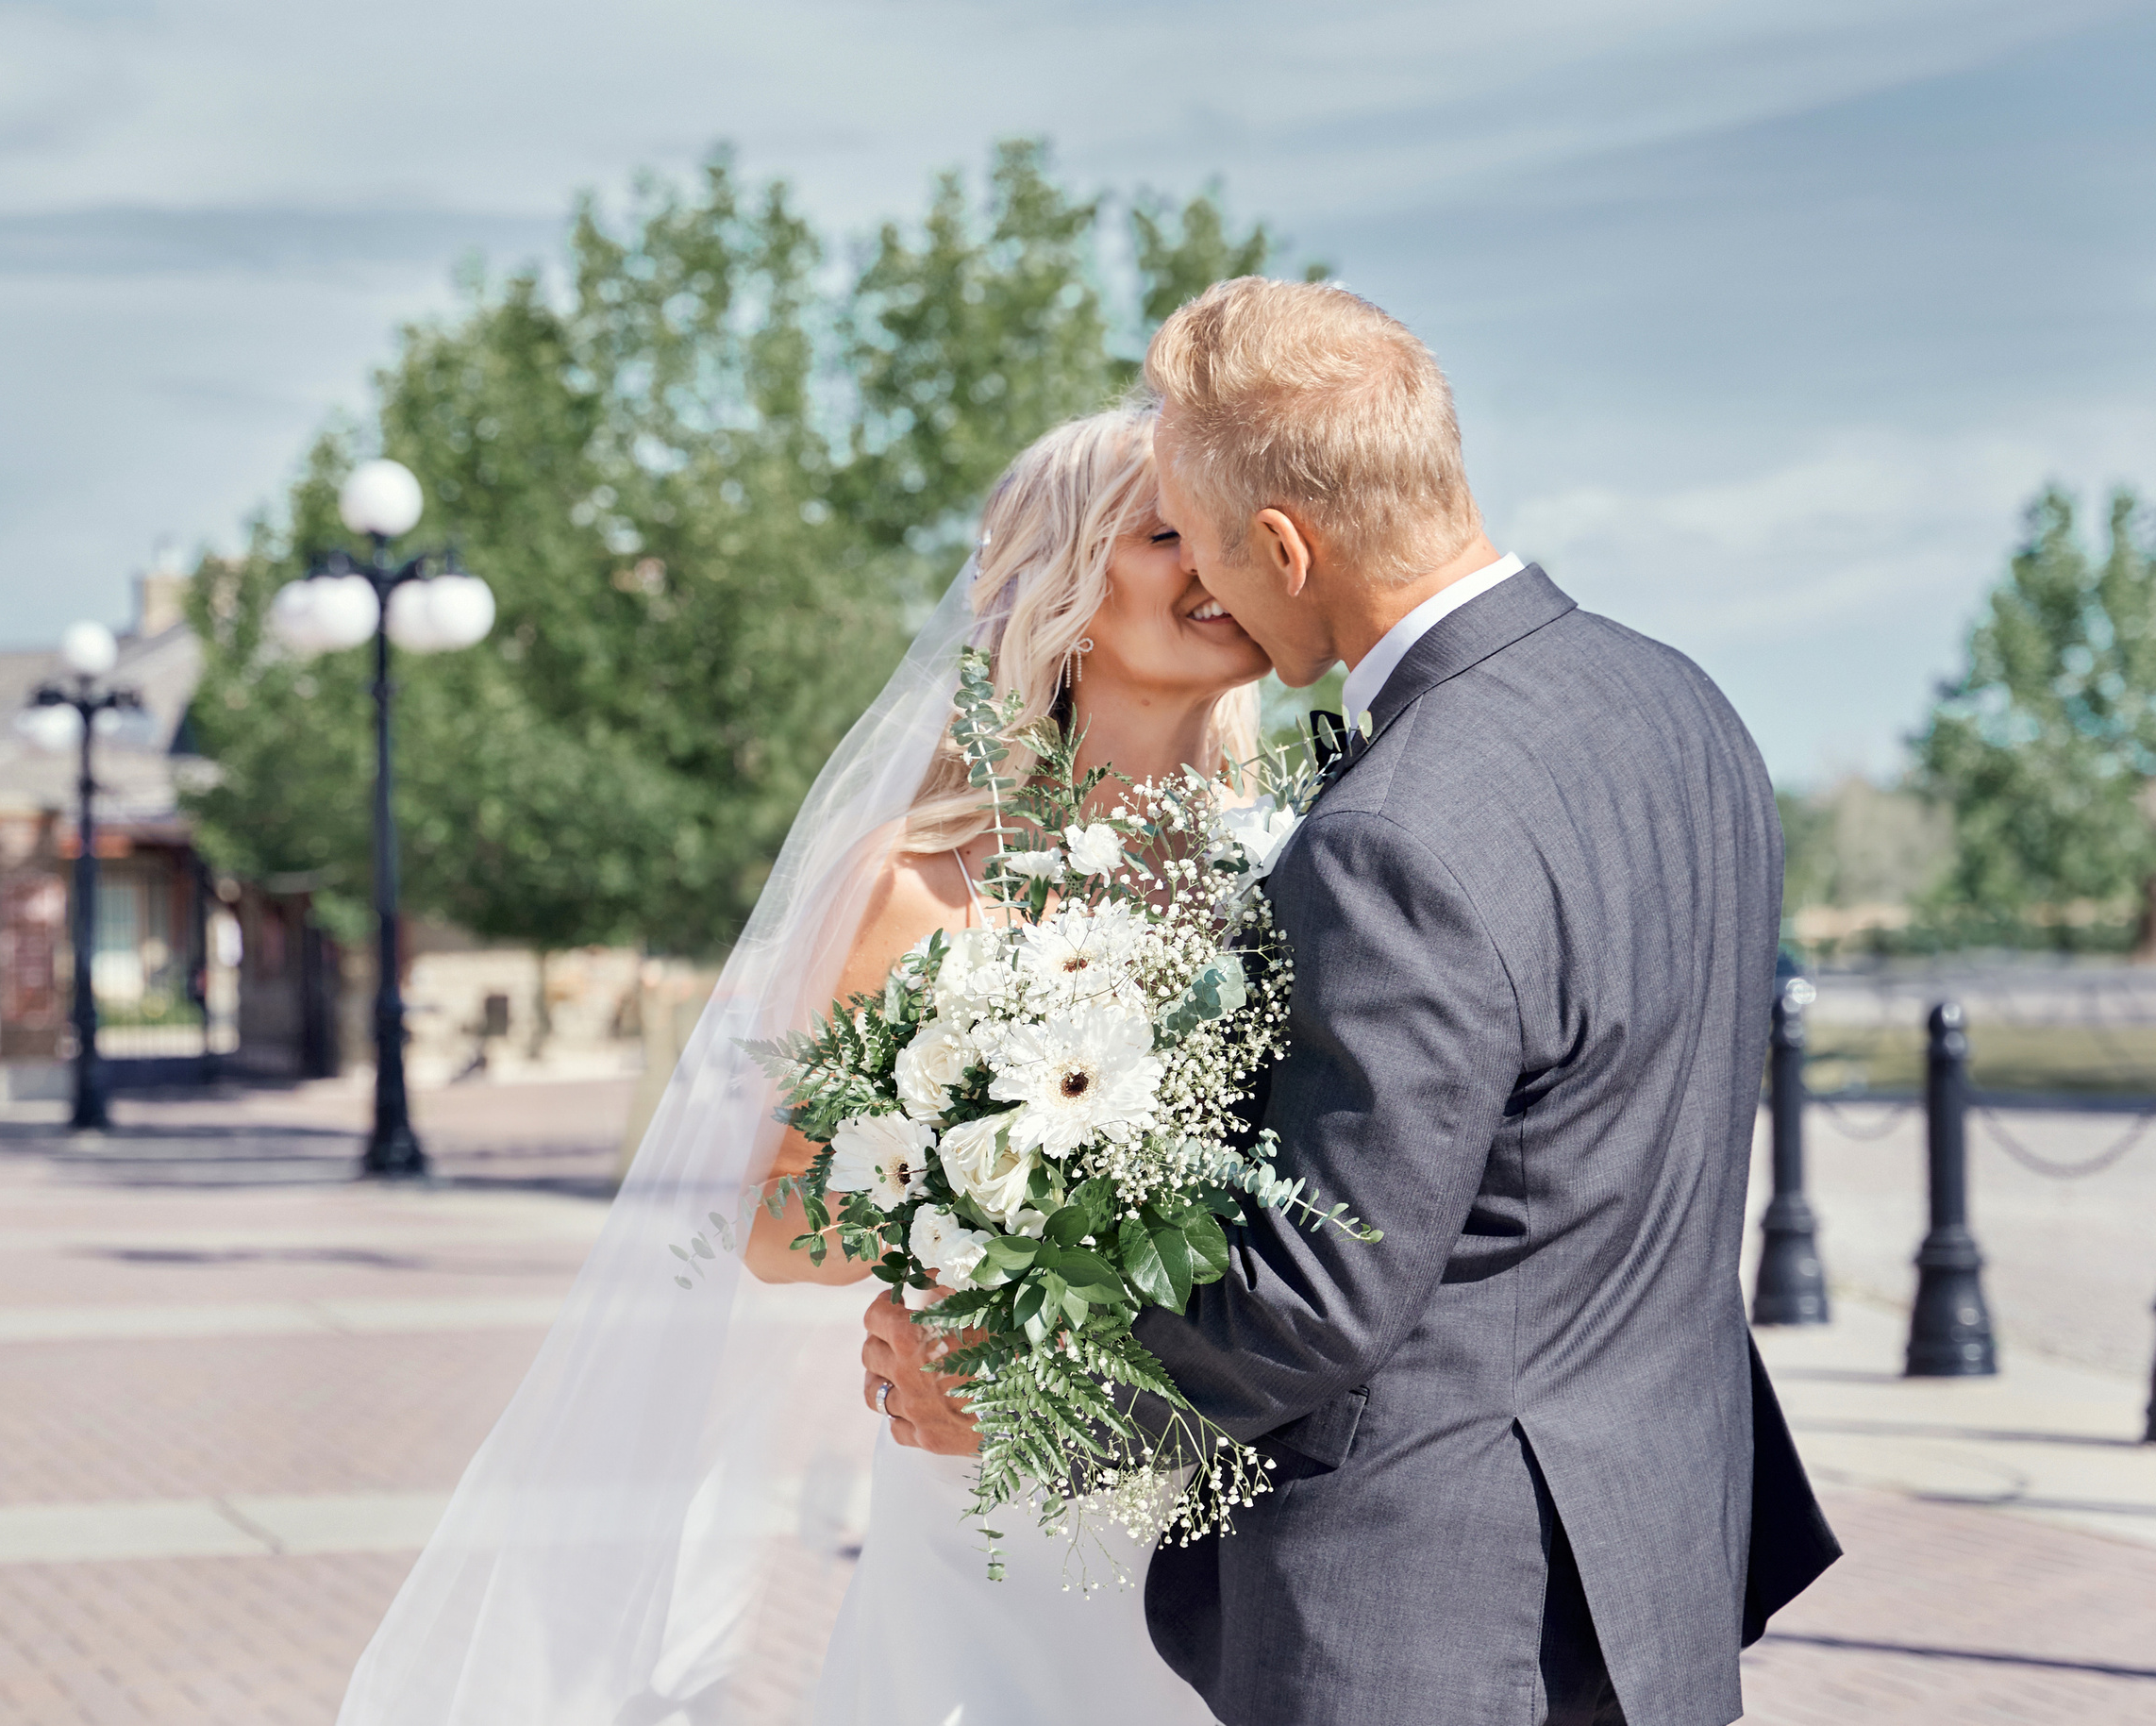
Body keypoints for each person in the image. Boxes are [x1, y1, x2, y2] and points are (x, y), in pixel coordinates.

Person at [865, 276, 1841, 1725]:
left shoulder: (1397, 826)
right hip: (1652, 1565)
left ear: (1281, 541)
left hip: (1427, 1618)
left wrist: (1018, 1390)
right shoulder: (1683, 707)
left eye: (1202, 544)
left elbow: (1314, 1302)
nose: (1210, 588)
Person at [336, 405, 1268, 1725]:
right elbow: (774, 1216)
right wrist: (959, 1233)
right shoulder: (913, 887)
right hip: (986, 1499)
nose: (1210, 568)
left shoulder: (1294, 868)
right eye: (1167, 533)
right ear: (1057, 583)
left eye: (1226, 536)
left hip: (1232, 1504)